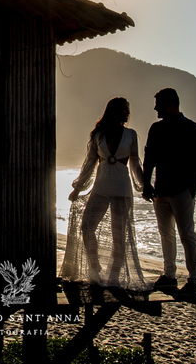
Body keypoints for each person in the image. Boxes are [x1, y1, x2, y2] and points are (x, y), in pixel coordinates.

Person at [60, 97, 150, 291]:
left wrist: (144, 186)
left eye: (128, 110)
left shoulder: (131, 135)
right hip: (101, 187)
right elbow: (90, 163)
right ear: (114, 111)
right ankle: (95, 266)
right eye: (124, 109)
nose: (127, 113)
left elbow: (135, 164)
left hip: (122, 189)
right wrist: (78, 187)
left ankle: (114, 276)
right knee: (87, 226)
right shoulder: (98, 135)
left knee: (120, 236)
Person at [142, 87, 196, 297]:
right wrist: (146, 184)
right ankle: (169, 276)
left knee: (186, 235)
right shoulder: (156, 129)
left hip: (181, 191)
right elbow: (149, 159)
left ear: (170, 105)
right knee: (167, 235)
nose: (155, 109)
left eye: (159, 105)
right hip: (161, 190)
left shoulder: (193, 129)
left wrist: (192, 189)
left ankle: (193, 281)